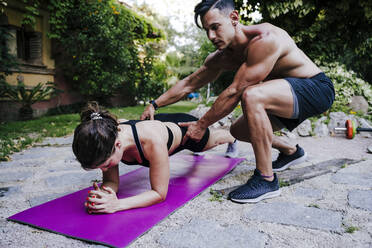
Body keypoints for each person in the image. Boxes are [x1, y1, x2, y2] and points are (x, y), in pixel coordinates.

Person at [140, 0, 335, 203]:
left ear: (234, 18)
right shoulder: (222, 57)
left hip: (316, 89)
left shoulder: (265, 39)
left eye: (215, 27)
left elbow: (234, 92)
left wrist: (201, 125)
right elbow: (190, 83)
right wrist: (155, 104)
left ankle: (266, 180)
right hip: (284, 98)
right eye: (207, 30)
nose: (211, 36)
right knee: (239, 130)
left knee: (251, 95)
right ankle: (291, 151)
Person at [72, 102, 238, 214]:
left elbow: (159, 193)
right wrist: (105, 193)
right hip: (158, 123)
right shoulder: (106, 137)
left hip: (183, 130)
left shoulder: (152, 142)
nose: (105, 170)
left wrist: (117, 205)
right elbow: (112, 182)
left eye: (106, 165)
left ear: (118, 145)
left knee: (213, 140)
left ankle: (232, 134)